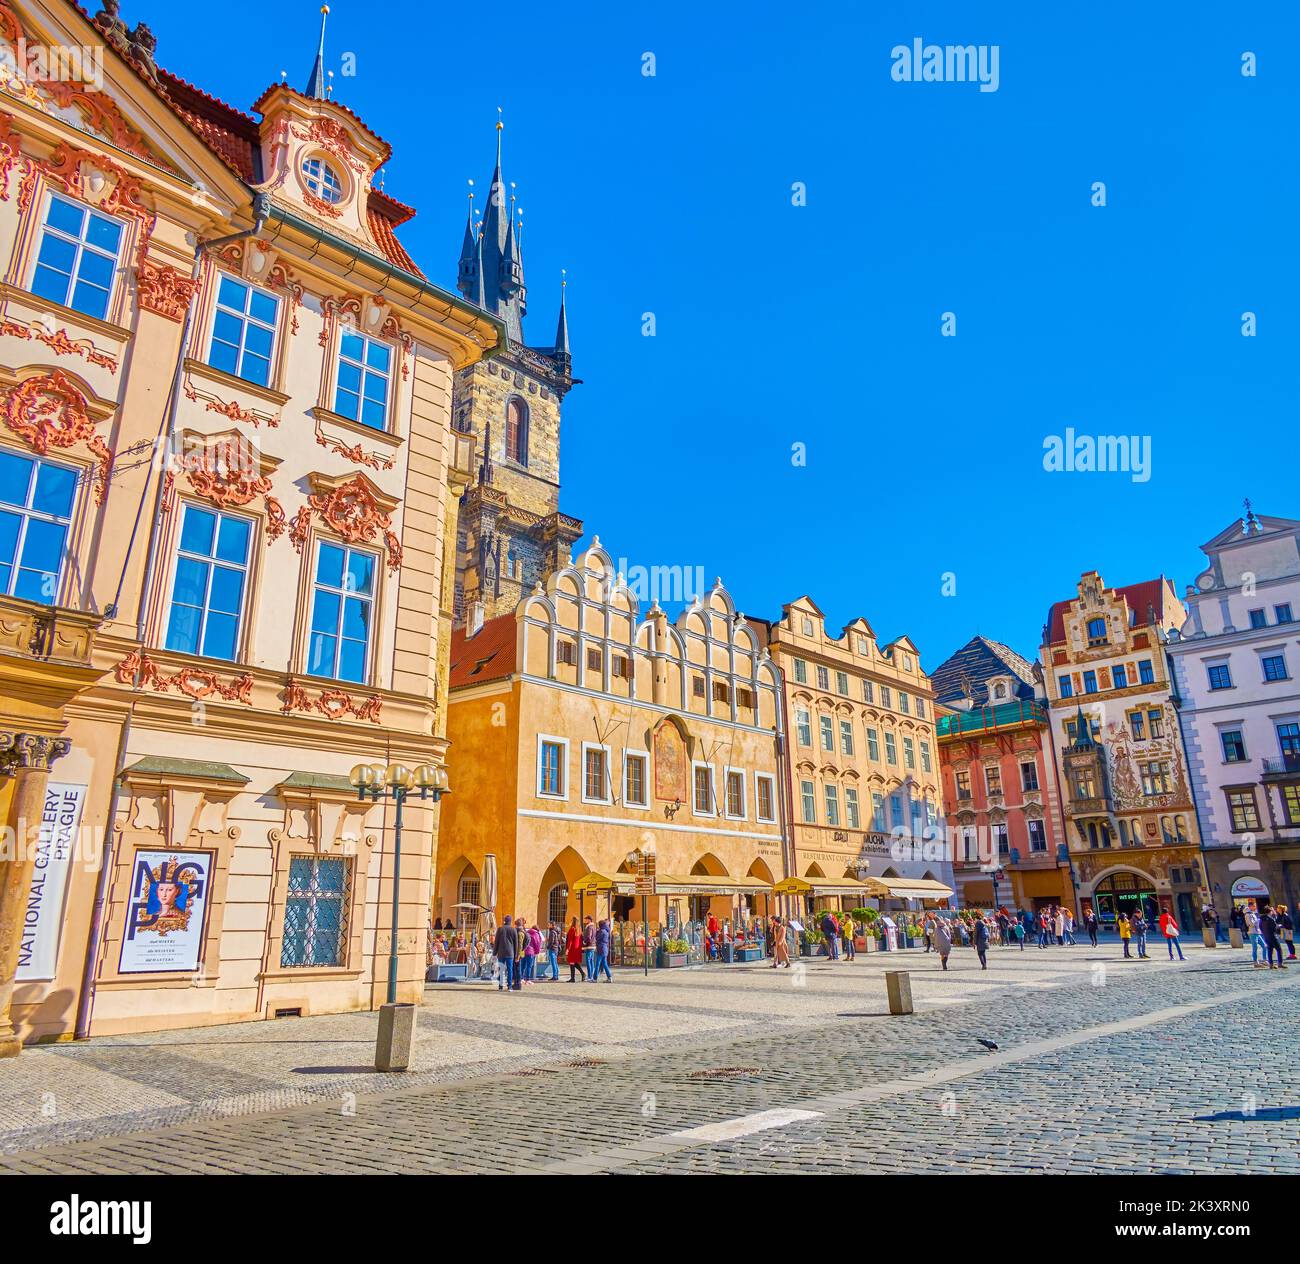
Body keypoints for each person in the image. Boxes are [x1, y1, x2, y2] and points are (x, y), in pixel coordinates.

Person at [493, 916, 518, 992]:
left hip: (501, 952)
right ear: (510, 921)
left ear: (504, 921)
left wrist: (494, 953)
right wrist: (516, 954)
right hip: (510, 953)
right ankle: (509, 986)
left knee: (501, 969)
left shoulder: (500, 929)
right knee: (510, 970)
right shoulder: (513, 929)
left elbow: (496, 942)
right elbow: (516, 943)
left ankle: (500, 986)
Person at [1258, 904, 1285, 969]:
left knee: (1270, 950)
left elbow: (1260, 927)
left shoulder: (1261, 919)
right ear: (1269, 912)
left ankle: (1271, 964)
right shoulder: (1270, 919)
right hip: (1273, 936)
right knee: (1279, 949)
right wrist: (1279, 926)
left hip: (1266, 936)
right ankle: (1280, 964)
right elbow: (1274, 928)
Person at [565, 917, 585, 982]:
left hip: (572, 948)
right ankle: (581, 974)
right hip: (577, 948)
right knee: (574, 962)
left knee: (572, 962)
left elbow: (570, 940)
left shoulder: (572, 929)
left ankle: (573, 978)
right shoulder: (579, 929)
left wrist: (567, 949)